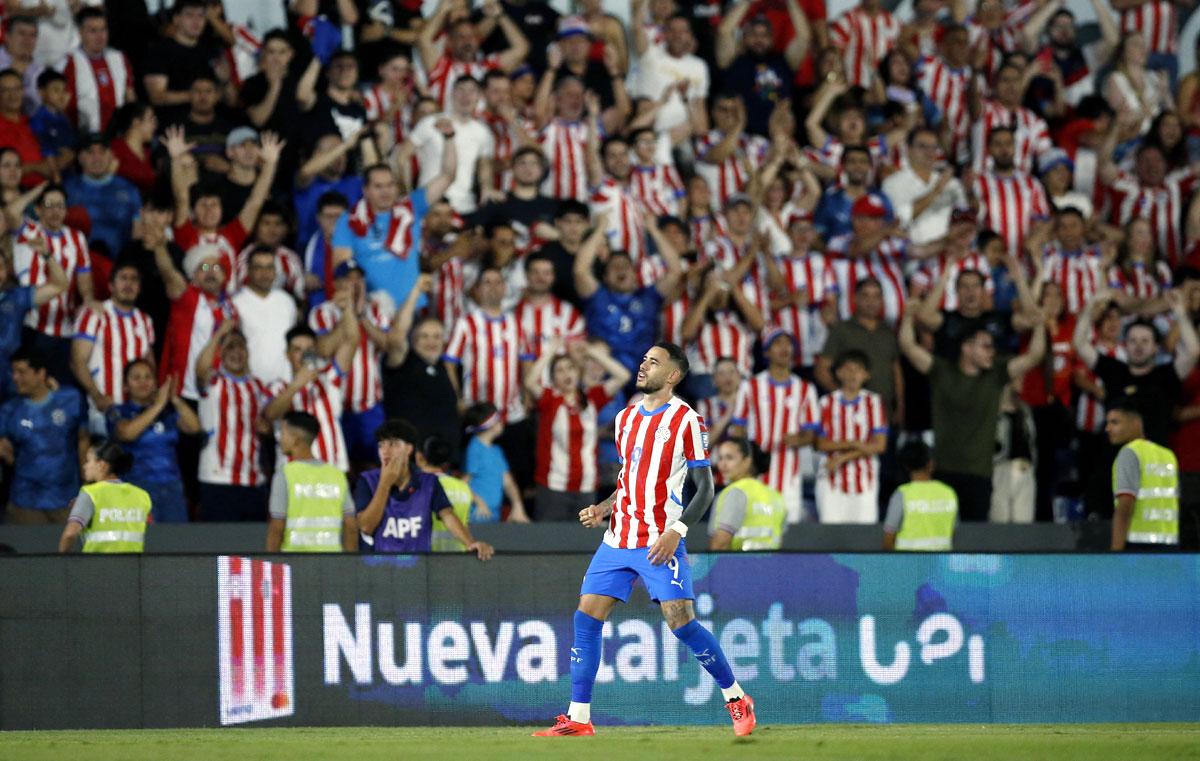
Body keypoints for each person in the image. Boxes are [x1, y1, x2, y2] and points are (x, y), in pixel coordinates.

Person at [533, 342, 755, 739]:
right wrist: (604, 508)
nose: (643, 366)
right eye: (643, 360)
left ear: (672, 376)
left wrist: (677, 531)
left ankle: (735, 697)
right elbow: (629, 480)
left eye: (653, 363)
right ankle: (579, 718)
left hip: (659, 539)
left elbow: (703, 489)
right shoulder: (625, 418)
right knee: (586, 618)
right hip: (618, 538)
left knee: (681, 623)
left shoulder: (688, 420)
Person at [899, 302, 1047, 521]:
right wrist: (908, 315)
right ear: (966, 348)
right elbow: (908, 346)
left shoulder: (996, 373)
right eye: (985, 346)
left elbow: (1035, 355)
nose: (992, 352)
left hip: (980, 475)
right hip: (943, 472)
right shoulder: (941, 370)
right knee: (942, 537)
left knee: (974, 542)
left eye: (992, 347)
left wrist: (1040, 324)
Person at [354, 418, 494, 558]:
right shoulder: (367, 481)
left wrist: (471, 543)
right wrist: (384, 484)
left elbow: (448, 515)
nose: (385, 450)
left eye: (393, 444)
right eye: (381, 445)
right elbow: (366, 527)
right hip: (380, 568)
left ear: (409, 449)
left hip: (419, 570)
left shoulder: (429, 482)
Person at [524, 337, 630, 521]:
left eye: (570, 368)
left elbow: (623, 376)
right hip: (552, 488)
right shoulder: (550, 400)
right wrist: (550, 352)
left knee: (581, 546)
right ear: (553, 377)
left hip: (586, 489)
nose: (567, 373)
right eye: (560, 370)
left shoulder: (591, 398)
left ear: (578, 372)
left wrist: (590, 351)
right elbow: (530, 382)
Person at [733, 329, 820, 522]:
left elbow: (812, 434)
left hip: (790, 475)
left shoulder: (806, 388)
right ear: (766, 352)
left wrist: (799, 439)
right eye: (777, 343)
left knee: (788, 529)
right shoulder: (751, 386)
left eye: (788, 343)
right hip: (757, 475)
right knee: (755, 524)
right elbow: (738, 429)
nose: (784, 348)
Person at [194, 321, 271, 522]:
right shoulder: (214, 382)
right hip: (217, 478)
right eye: (229, 347)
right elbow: (201, 368)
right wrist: (220, 333)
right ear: (220, 352)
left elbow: (269, 423)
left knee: (253, 548)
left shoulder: (258, 387)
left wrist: (267, 430)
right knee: (221, 547)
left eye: (241, 346)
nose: (236, 352)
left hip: (253, 480)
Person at [0, 348, 87, 524]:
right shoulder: (9, 410)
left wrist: (87, 483)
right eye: (14, 372)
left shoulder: (71, 399)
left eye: (22, 372)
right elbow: (4, 449)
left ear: (41, 373)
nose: (15, 378)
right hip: (25, 503)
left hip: (67, 500)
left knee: (71, 551)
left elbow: (83, 439)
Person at [108, 360, 199, 524]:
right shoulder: (118, 411)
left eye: (148, 377)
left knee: (177, 545)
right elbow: (127, 433)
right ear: (125, 386)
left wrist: (174, 399)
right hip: (137, 487)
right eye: (136, 378)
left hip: (172, 488)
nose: (143, 382)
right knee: (145, 545)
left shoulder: (168, 412)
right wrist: (158, 405)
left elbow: (194, 427)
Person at [70, 260, 155, 434]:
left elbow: (149, 362)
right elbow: (77, 361)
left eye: (134, 279)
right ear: (111, 286)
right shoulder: (94, 314)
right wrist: (97, 396)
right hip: (104, 409)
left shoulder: (145, 320)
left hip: (137, 412)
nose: (129, 284)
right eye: (123, 278)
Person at [263, 325, 357, 473]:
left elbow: (352, 340)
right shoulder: (278, 387)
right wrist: (296, 385)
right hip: (294, 475)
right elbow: (270, 414)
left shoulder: (328, 379)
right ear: (287, 354)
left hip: (331, 472)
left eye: (309, 349)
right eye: (297, 350)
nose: (304, 354)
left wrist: (349, 309)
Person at [266, 411, 357, 553]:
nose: (279, 438)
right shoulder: (337, 475)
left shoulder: (285, 475)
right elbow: (350, 526)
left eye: (283, 433)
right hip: (332, 561)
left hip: (295, 561)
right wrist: (350, 566)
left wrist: (272, 565)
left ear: (295, 440)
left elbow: (277, 527)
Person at [815, 350, 889, 524]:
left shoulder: (874, 403)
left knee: (864, 536)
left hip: (865, 481)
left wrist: (842, 458)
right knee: (830, 534)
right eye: (848, 369)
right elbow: (822, 444)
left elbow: (879, 446)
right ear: (839, 373)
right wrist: (856, 443)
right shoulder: (826, 403)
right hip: (831, 481)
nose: (853, 374)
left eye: (858, 370)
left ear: (866, 375)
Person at [1, 237, 67, 403]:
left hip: (12, 384)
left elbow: (60, 285)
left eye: (0, 267)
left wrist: (46, 255)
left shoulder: (16, 298)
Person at [1107, 400, 1179, 550]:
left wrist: (1115, 552)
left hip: (1138, 547)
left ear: (1135, 423)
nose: (1108, 428)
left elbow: (1125, 505)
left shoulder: (1130, 453)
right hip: (1170, 545)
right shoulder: (1168, 455)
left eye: (1115, 422)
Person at [57, 440, 150, 553]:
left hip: (97, 566)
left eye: (88, 461)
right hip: (134, 567)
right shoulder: (142, 495)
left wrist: (61, 562)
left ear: (102, 465)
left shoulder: (90, 493)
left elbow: (70, 534)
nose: (85, 466)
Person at [59, 7, 135, 134]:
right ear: (80, 33)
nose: (100, 36)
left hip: (118, 134)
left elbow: (130, 96)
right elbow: (62, 103)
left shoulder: (119, 58)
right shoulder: (69, 62)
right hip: (84, 136)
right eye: (93, 31)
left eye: (103, 29)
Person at [708, 438, 786, 551]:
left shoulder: (735, 492)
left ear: (747, 461)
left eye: (729, 458)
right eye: (720, 458)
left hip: (740, 565)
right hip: (772, 565)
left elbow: (720, 543)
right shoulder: (776, 496)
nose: (722, 465)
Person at [416, 435, 488, 552]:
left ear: (420, 457)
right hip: (458, 556)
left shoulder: (417, 486)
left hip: (427, 559)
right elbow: (466, 524)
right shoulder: (463, 487)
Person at [882, 440, 957, 551]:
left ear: (906, 466)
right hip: (941, 565)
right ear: (930, 463)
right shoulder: (948, 493)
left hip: (908, 565)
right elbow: (953, 532)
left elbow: (888, 540)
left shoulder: (902, 494)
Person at [462, 402, 530, 523]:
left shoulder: (497, 451)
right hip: (476, 516)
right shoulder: (474, 448)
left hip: (494, 516)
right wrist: (479, 502)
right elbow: (463, 483)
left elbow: (508, 482)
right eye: (498, 419)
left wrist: (517, 504)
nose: (502, 422)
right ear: (489, 425)